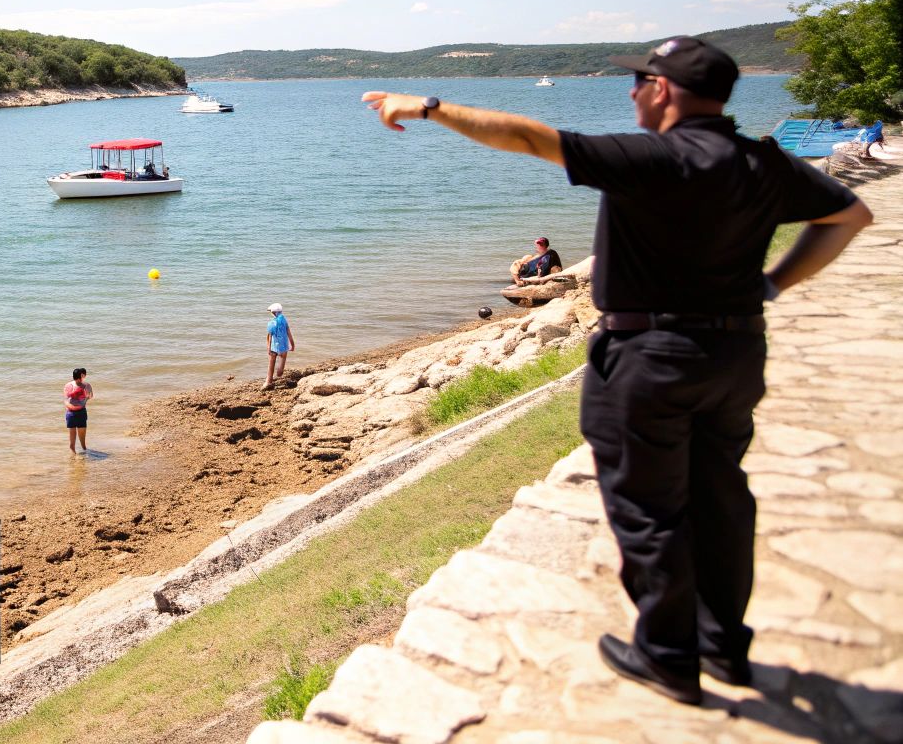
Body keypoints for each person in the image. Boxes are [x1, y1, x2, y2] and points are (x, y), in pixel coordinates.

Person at [362, 36, 871, 705]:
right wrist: (772, 285)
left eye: (639, 82)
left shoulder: (653, 158)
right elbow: (849, 216)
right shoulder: (760, 161)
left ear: (664, 91)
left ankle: (667, 657)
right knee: (722, 500)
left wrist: (427, 106)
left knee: (649, 510)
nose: (631, 93)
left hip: (651, 359)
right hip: (735, 354)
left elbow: (528, 137)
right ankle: (723, 647)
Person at [64, 367, 92, 455]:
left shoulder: (67, 385)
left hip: (70, 412)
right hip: (80, 412)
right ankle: (84, 450)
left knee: (72, 437)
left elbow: (65, 399)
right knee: (82, 436)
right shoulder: (86, 385)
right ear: (81, 376)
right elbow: (90, 396)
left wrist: (70, 406)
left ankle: (73, 455)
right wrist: (85, 399)